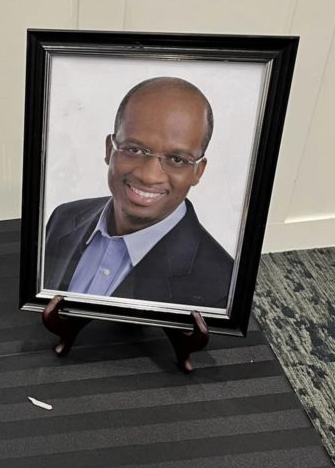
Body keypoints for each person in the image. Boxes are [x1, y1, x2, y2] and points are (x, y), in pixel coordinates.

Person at [43, 76, 234, 309]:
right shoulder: (63, 218)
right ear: (109, 150)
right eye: (134, 149)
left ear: (198, 171)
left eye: (177, 159)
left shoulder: (222, 288)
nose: (149, 176)